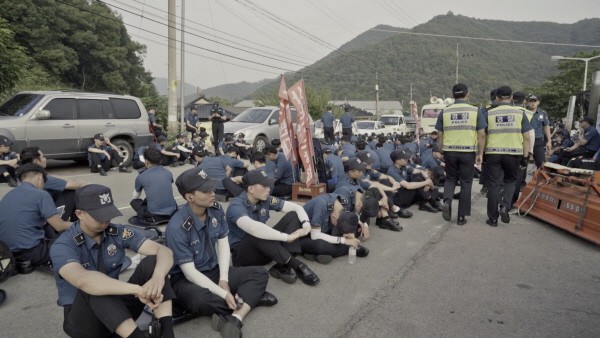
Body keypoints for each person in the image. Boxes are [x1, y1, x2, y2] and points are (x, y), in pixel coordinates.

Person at [50, 184, 176, 338]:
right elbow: (83, 280)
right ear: (80, 214)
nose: (106, 220)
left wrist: (157, 279)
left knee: (154, 262)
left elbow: (164, 251)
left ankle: (167, 333)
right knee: (94, 287)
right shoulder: (64, 245)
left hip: (118, 309)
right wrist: (139, 290)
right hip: (85, 321)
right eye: (99, 215)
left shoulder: (115, 232)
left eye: (108, 213)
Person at [165, 168, 276, 338]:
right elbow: (190, 273)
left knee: (260, 273)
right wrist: (224, 293)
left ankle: (236, 316)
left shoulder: (216, 209)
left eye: (212, 188)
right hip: (186, 280)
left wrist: (223, 279)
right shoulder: (177, 227)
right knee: (200, 300)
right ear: (189, 197)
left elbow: (223, 244)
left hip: (213, 270)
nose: (212, 193)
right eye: (205, 191)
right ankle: (249, 299)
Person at [225, 170, 320, 286]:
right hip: (245, 257)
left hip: (264, 249)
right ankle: (297, 265)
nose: (269, 189)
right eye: (264, 186)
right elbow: (253, 228)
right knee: (257, 232)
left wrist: (306, 225)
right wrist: (286, 237)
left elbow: (296, 208)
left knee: (292, 216)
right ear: (251, 189)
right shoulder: (236, 206)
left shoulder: (265, 199)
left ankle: (282, 265)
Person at [0, 164, 71, 272]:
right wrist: (81, 224)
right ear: (40, 177)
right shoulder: (41, 194)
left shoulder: (9, 194)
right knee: (73, 242)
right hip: (31, 252)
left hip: (6, 252)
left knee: (46, 226)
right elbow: (59, 226)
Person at [436, 83, 486, 225]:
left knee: (450, 179)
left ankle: (447, 201)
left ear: (452, 95)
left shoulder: (445, 111)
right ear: (467, 94)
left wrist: (441, 149)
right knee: (466, 182)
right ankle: (461, 216)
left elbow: (440, 134)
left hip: (450, 151)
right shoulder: (475, 111)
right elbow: (481, 134)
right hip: (467, 152)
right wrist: (480, 153)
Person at [484, 86, 532, 227]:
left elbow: (484, 135)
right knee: (511, 181)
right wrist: (525, 156)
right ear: (511, 98)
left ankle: (492, 219)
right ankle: (505, 206)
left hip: (493, 153)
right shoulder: (520, 114)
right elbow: (527, 138)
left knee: (493, 184)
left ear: (497, 98)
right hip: (513, 153)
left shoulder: (489, 114)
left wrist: (483, 153)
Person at [20, 147, 87, 221]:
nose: (45, 159)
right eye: (43, 157)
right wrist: (93, 186)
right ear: (36, 161)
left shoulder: (25, 175)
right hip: (43, 219)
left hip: (31, 214)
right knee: (71, 192)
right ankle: (70, 224)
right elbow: (77, 185)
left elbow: (56, 178)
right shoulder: (41, 178)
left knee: (60, 189)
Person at [300, 193, 369, 263]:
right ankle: (348, 248)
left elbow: (349, 218)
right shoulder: (321, 206)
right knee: (320, 245)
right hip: (304, 236)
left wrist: (347, 233)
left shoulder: (343, 201)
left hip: (324, 230)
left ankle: (316, 254)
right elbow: (315, 236)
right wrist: (345, 241)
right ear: (334, 218)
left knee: (354, 230)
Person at [130, 147, 178, 224]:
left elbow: (135, 197)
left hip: (155, 215)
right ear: (160, 160)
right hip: (172, 211)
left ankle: (151, 216)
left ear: (146, 162)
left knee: (134, 202)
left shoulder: (141, 176)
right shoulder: (168, 172)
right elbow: (163, 187)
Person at [526, 95, 552, 168]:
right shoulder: (524, 113)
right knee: (523, 163)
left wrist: (549, 141)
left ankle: (540, 179)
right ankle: (522, 179)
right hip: (526, 140)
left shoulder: (542, 113)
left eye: (534, 101)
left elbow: (546, 127)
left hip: (538, 140)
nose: (532, 103)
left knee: (541, 163)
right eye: (530, 101)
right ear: (527, 103)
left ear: (538, 102)